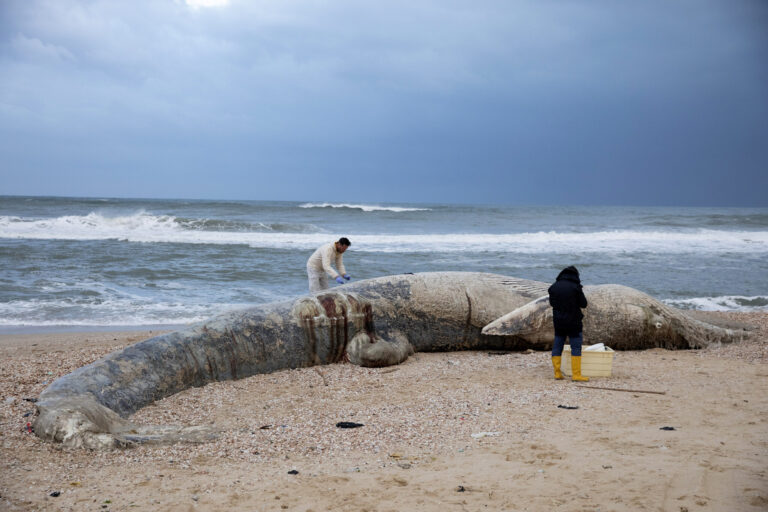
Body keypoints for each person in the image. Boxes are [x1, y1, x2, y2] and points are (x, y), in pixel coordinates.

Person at [548, 266, 589, 382]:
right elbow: (583, 304)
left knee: (557, 345)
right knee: (575, 347)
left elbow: (552, 303)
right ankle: (576, 375)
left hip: (558, 321)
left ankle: (557, 373)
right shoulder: (575, 287)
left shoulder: (554, 287)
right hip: (574, 321)